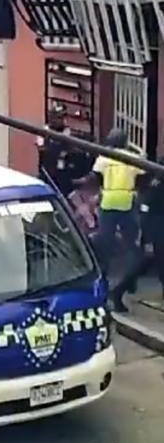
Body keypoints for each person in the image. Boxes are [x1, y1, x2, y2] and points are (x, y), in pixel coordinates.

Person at [80, 128, 144, 310]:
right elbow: (142, 176)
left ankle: (103, 284)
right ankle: (128, 283)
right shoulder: (132, 158)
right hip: (127, 205)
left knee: (104, 246)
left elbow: (96, 177)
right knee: (132, 247)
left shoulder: (104, 158)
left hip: (108, 204)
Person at [110, 147, 164, 312]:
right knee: (152, 260)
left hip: (152, 220)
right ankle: (118, 291)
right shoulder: (159, 180)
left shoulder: (156, 177)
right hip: (155, 222)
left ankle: (120, 290)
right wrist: (147, 236)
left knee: (152, 261)